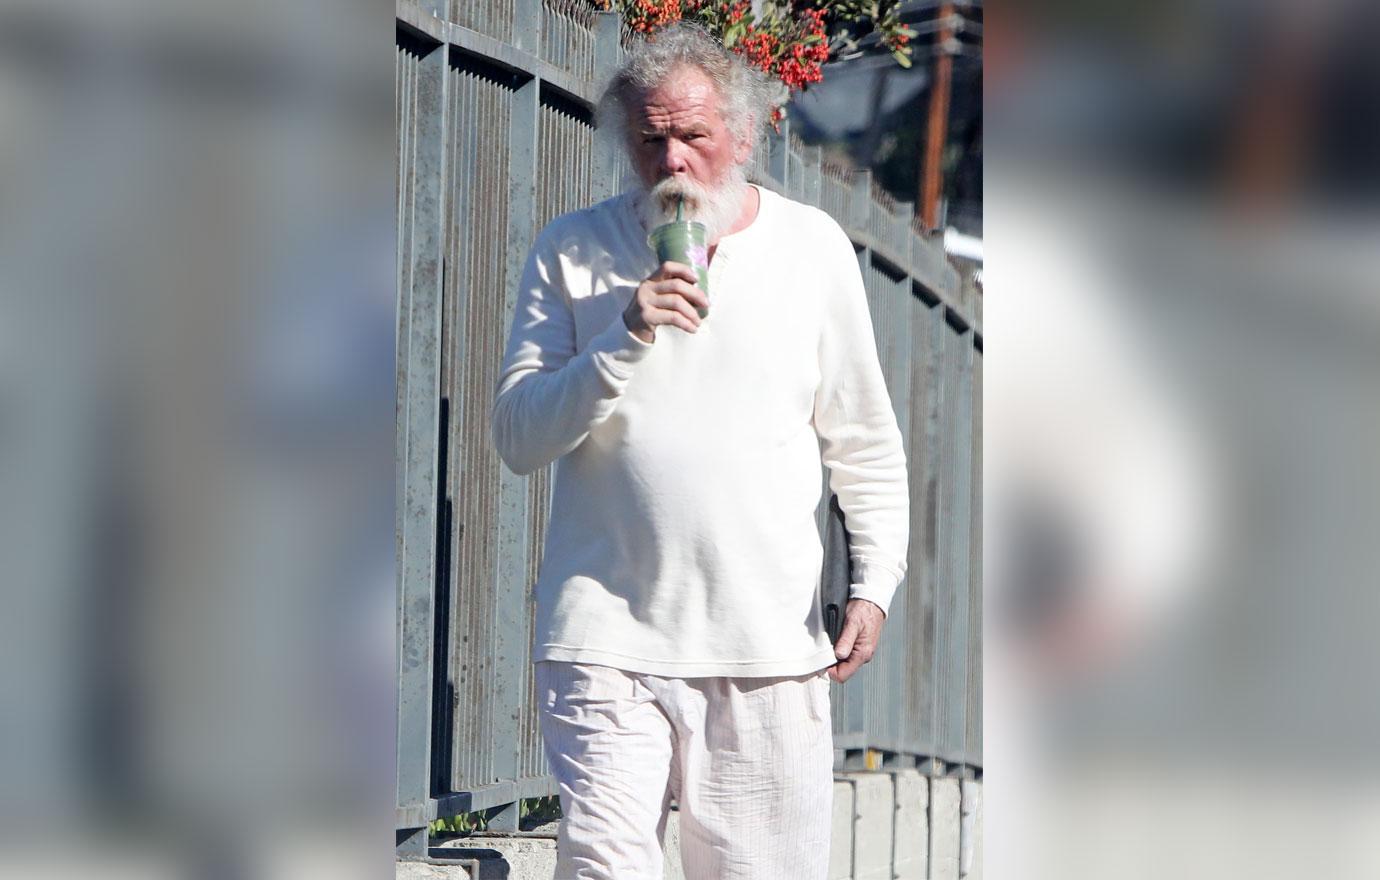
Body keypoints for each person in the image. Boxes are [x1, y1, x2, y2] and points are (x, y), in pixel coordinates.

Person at [491, 23, 909, 880]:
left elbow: (864, 439)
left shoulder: (812, 249)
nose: (673, 162)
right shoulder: (571, 251)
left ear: (746, 136)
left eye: (694, 136)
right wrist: (625, 331)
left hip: (765, 646)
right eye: (650, 140)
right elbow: (519, 436)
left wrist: (874, 583)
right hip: (604, 636)